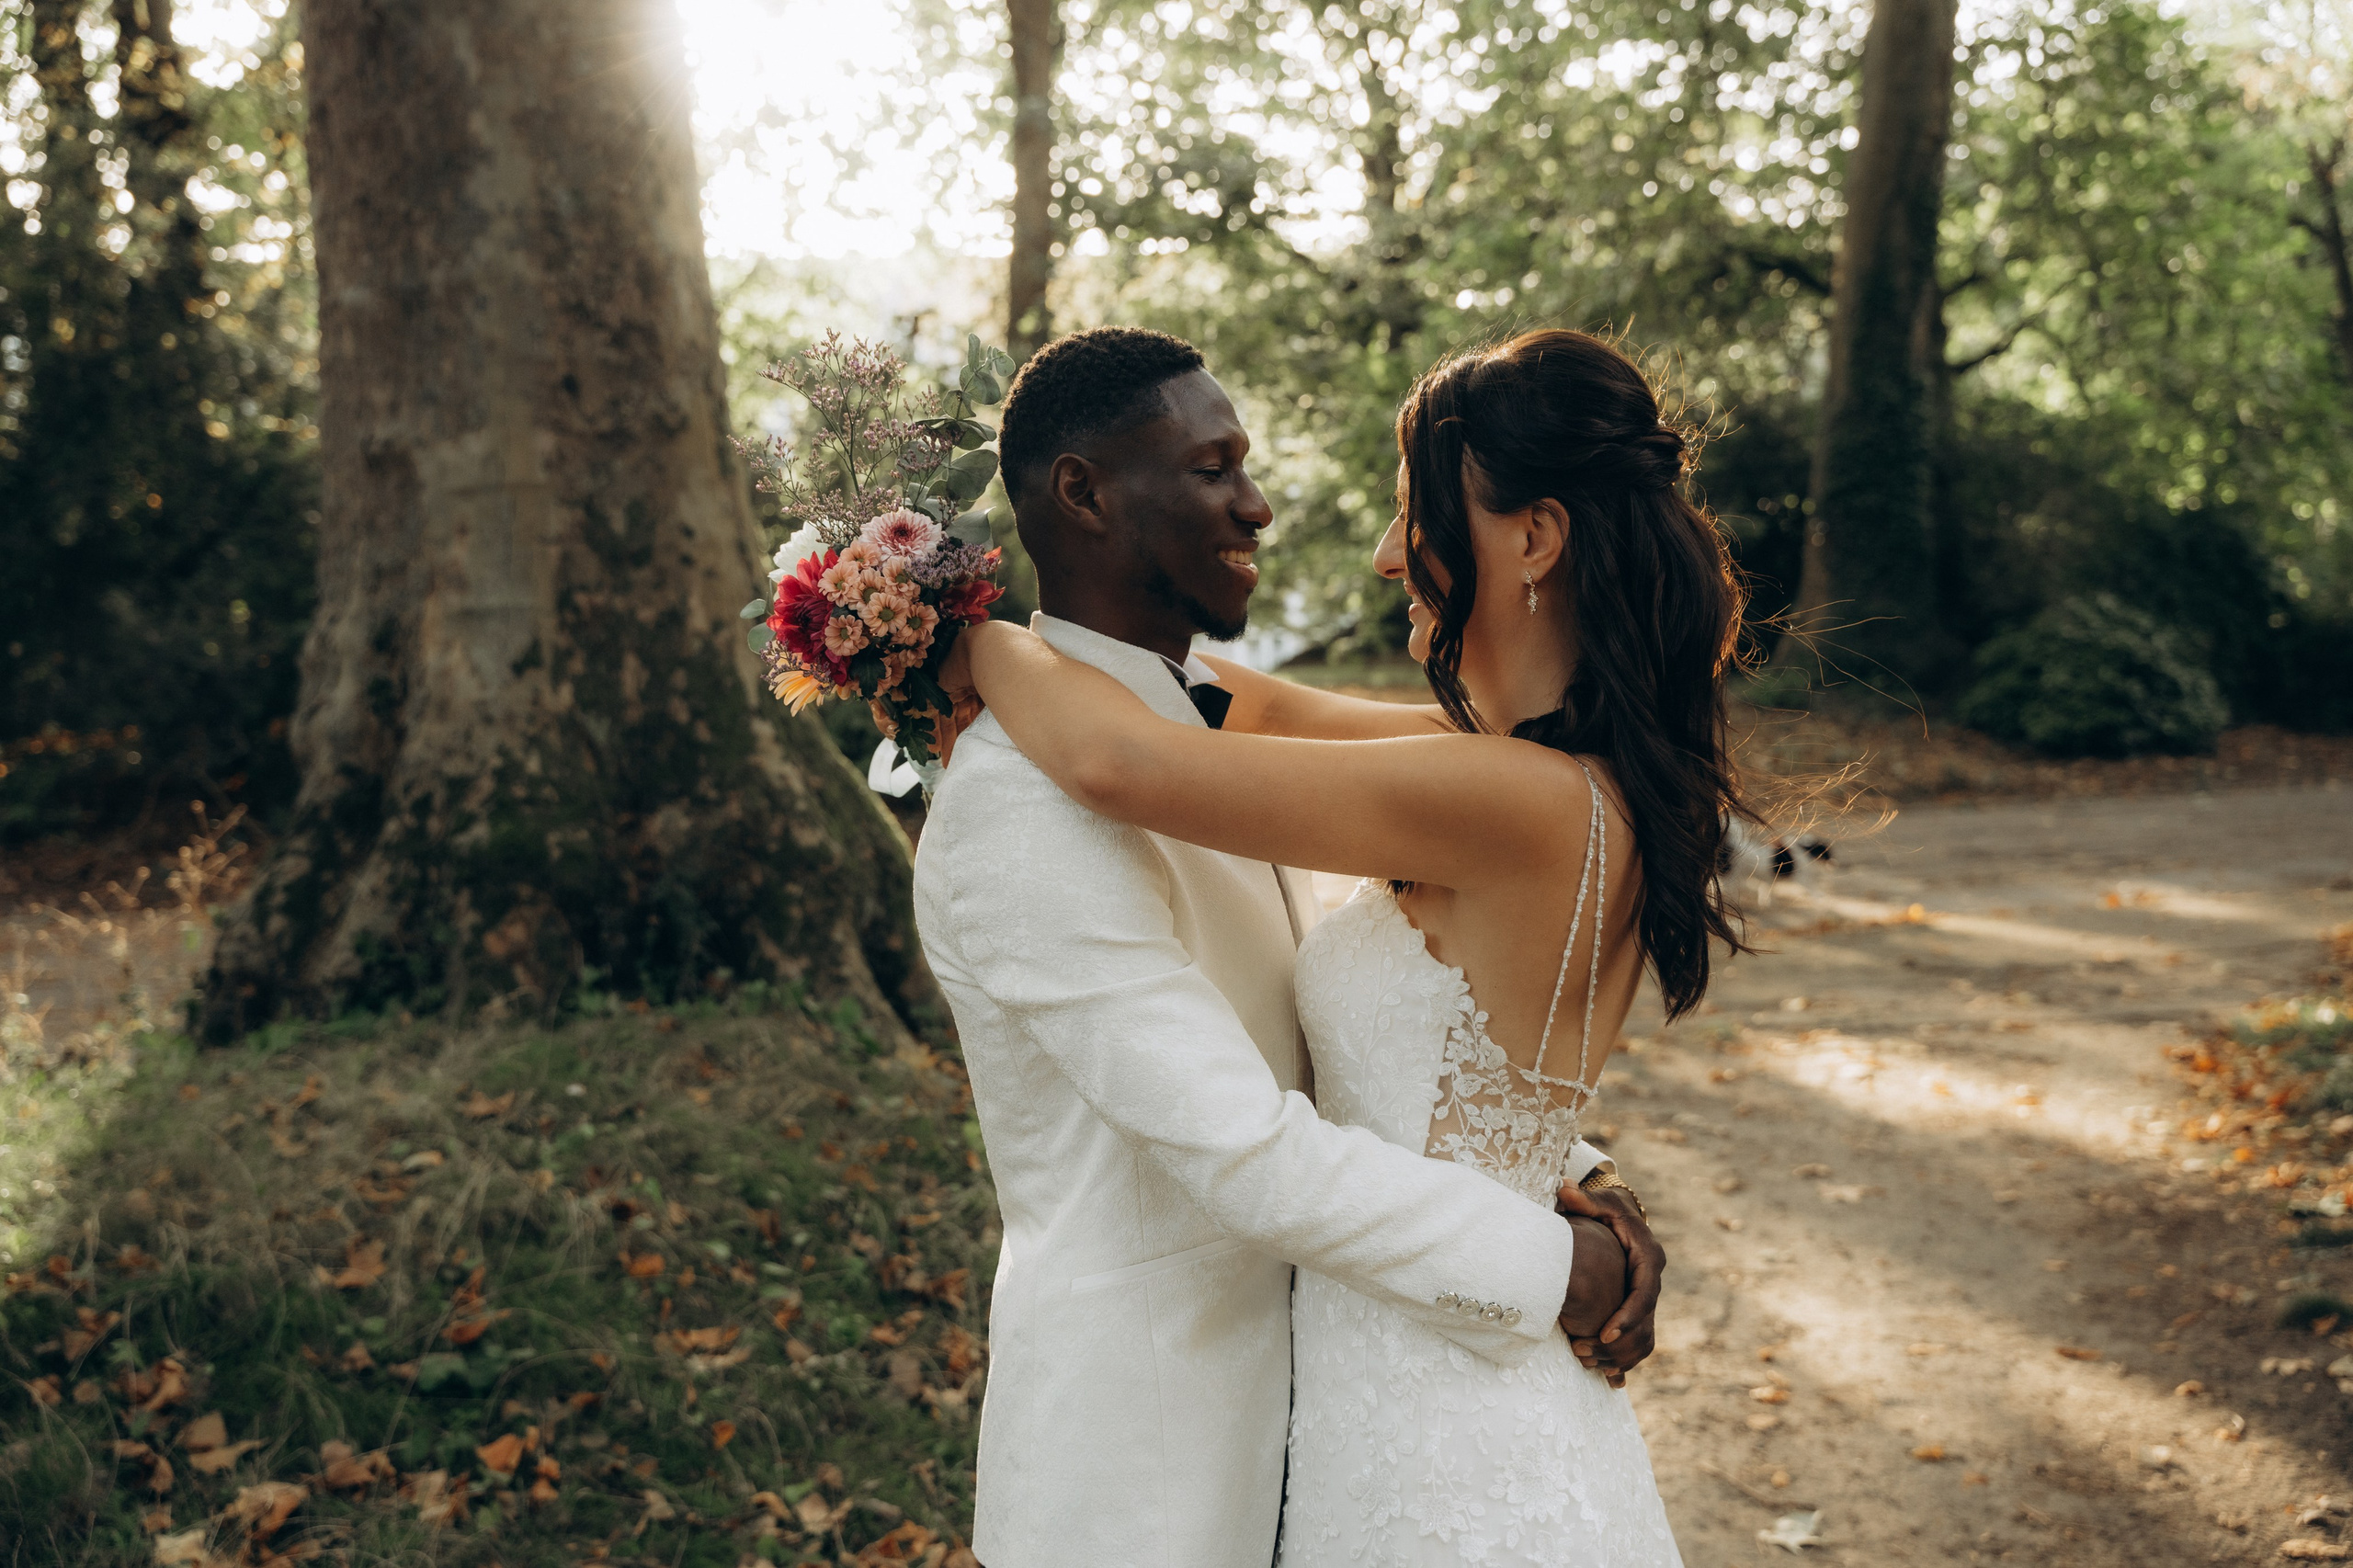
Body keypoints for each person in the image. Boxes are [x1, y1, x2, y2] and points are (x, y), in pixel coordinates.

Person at [945, 326, 1747, 1562]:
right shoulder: (1539, 779)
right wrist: (1557, 1181)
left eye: (1416, 513)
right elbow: (1238, 707)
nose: (1385, 556)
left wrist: (967, 637)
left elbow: (1125, 761)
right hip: (1314, 1419)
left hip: (1439, 1425)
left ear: (1533, 538)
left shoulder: (1505, 798)